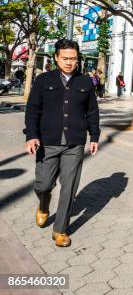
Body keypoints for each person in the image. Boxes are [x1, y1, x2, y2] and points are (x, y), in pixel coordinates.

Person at [24, 39, 100, 248]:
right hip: (47, 141)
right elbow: (32, 110)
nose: (69, 62)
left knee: (69, 187)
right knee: (43, 184)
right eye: (65, 58)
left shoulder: (85, 82)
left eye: (73, 58)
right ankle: (43, 204)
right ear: (56, 57)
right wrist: (31, 135)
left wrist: (94, 137)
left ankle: (60, 229)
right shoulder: (42, 80)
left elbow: (92, 112)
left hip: (74, 143)